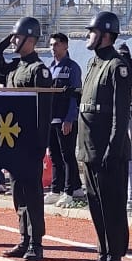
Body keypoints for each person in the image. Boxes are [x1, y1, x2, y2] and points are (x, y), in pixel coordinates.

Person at [75, 11, 132, 261]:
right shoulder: (92, 63)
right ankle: (102, 255)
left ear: (106, 34)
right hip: (89, 147)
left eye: (92, 31)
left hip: (108, 150)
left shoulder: (117, 65)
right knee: (96, 206)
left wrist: (112, 148)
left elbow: (119, 113)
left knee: (112, 208)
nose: (88, 35)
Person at [0, 16, 54, 261]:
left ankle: (36, 242)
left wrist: (40, 143)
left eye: (18, 36)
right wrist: (4, 43)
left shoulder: (39, 70)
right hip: (13, 139)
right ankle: (23, 238)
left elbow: (44, 110)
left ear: (30, 38)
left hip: (30, 141)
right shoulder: (15, 67)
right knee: (18, 192)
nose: (14, 40)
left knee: (32, 192)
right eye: (13, 37)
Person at [45, 32, 83, 203]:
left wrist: (69, 118)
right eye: (51, 45)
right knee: (54, 156)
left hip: (65, 119)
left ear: (65, 46)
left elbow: (75, 95)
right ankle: (56, 189)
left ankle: (68, 192)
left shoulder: (72, 67)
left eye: (57, 44)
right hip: (51, 119)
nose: (53, 48)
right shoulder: (50, 67)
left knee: (67, 155)